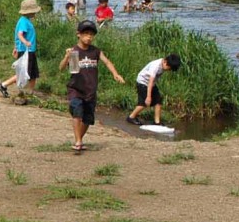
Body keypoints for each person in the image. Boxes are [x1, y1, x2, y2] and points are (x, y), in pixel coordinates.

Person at [61, 19, 126, 152]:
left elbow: (107, 62)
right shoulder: (74, 51)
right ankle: (78, 141)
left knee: (88, 119)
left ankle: (79, 139)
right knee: (77, 113)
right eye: (86, 34)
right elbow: (63, 68)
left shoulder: (95, 51)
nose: (89, 37)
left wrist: (115, 74)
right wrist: (67, 57)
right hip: (76, 89)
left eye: (91, 34)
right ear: (78, 34)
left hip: (90, 90)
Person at [0, 0, 40, 98]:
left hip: (30, 51)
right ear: (30, 12)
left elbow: (17, 36)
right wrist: (26, 42)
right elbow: (20, 35)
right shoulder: (24, 22)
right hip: (26, 51)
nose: (35, 13)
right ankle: (3, 85)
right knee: (23, 73)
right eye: (34, 11)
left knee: (33, 73)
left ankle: (30, 92)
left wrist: (15, 47)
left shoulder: (25, 20)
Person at [127, 53, 182, 126]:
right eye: (169, 68)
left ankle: (157, 122)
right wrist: (148, 97)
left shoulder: (164, 64)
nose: (168, 70)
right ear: (165, 61)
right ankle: (131, 117)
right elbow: (150, 81)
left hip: (151, 84)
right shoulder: (155, 66)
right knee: (144, 103)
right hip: (142, 82)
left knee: (158, 101)